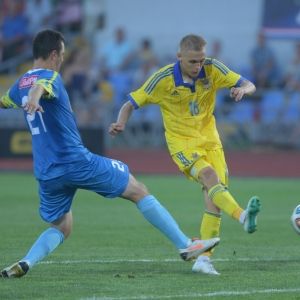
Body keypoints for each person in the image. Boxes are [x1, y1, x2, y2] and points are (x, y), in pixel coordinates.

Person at [0, 30, 219, 278]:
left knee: (62, 225)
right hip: (76, 162)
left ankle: (27, 262)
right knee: (138, 190)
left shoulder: (19, 84)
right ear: (53, 54)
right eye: (62, 55)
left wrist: (29, 97)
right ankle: (186, 245)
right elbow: (42, 86)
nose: (63, 60)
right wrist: (35, 97)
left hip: (46, 172)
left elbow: (4, 101)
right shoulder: (50, 77)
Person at [109, 34, 261, 275]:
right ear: (179, 57)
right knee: (210, 177)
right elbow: (130, 103)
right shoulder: (162, 79)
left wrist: (243, 90)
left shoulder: (212, 68)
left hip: (211, 140)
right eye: (192, 61)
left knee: (214, 198)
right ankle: (243, 216)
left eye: (201, 60)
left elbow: (249, 83)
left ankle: (204, 260)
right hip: (182, 144)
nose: (198, 66)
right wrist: (120, 123)